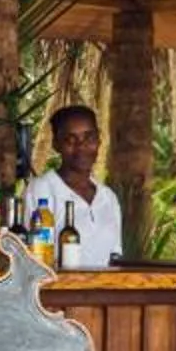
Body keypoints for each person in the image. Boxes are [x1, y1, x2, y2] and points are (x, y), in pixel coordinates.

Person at [27, 102, 125, 269]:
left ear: (99, 140)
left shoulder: (108, 198)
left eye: (89, 137)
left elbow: (114, 257)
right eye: (70, 139)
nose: (81, 147)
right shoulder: (42, 190)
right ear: (56, 144)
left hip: (104, 292)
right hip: (58, 292)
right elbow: (30, 256)